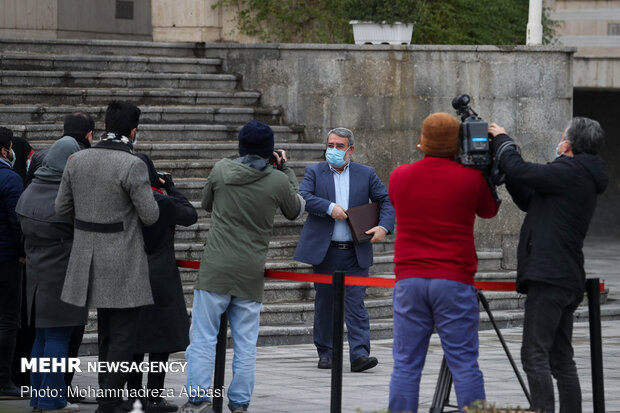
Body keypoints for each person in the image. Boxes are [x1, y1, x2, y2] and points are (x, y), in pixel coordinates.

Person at [182, 120, 304, 413]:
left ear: (240, 146)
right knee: (245, 344)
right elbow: (296, 209)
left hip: (214, 269)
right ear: (269, 152)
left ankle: (198, 399)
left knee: (202, 339)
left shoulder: (221, 170)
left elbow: (208, 204)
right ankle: (239, 404)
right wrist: (285, 168)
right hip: (250, 271)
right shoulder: (276, 180)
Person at [488, 117, 608, 413]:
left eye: (563, 136)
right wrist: (508, 173)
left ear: (568, 144)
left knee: (534, 355)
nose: (560, 139)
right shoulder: (577, 174)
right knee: (560, 359)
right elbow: (531, 197)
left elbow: (521, 169)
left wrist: (503, 140)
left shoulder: (572, 171)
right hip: (563, 276)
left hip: (550, 277)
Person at [388, 113, 500, 412]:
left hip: (409, 278)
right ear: (458, 144)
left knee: (406, 365)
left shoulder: (399, 175)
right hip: (454, 278)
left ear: (422, 143)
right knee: (464, 363)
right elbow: (489, 211)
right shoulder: (471, 178)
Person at [56, 101, 159, 413]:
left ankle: (108, 393)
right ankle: (110, 400)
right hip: (123, 258)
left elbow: (60, 209)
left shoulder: (77, 160)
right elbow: (150, 214)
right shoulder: (132, 165)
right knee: (124, 335)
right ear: (133, 131)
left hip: (87, 255)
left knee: (106, 331)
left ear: (104, 127)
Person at [293, 127, 395, 372]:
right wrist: (329, 208)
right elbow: (304, 196)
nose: (334, 150)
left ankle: (359, 355)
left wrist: (383, 227)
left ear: (351, 149)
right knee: (325, 302)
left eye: (340, 146)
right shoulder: (314, 171)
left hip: (355, 251)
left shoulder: (365, 173)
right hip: (325, 251)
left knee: (356, 303)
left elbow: (387, 201)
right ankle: (326, 352)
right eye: (330, 145)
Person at [16, 137, 88, 413]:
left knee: (42, 338)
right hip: (63, 272)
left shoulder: (31, 189)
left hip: (36, 274)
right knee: (58, 337)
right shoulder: (66, 193)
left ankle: (38, 398)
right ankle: (52, 399)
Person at [126, 153, 197, 413]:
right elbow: (190, 214)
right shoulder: (163, 202)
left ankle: (132, 396)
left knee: (132, 340)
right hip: (161, 278)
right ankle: (154, 397)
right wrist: (171, 187)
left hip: (130, 273)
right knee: (160, 343)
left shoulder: (123, 202)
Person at [0, 126, 26, 399]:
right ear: (4, 150)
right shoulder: (10, 178)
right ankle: (3, 380)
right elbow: (17, 221)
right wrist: (23, 250)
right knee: (8, 320)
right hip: (7, 257)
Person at [26, 112, 95, 186]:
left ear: (64, 130)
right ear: (89, 134)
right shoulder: (92, 159)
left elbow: (28, 184)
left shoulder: (39, 156)